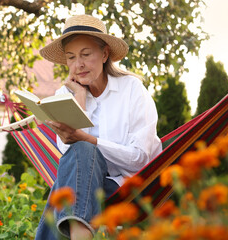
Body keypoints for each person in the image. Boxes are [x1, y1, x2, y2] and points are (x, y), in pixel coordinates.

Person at [35, 14, 162, 240]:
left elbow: (141, 159)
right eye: (71, 57)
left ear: (104, 54)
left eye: (85, 54)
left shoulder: (132, 90)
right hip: (85, 187)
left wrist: (88, 139)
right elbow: (68, 158)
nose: (78, 64)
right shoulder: (65, 95)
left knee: (83, 149)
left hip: (132, 186)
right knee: (80, 153)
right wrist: (80, 101)